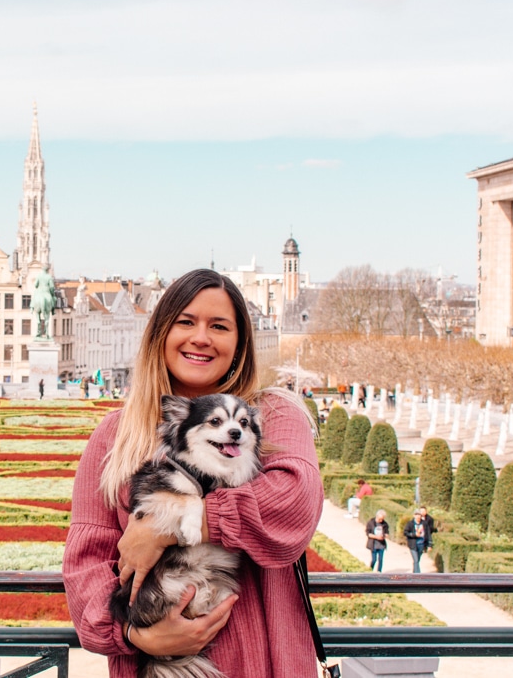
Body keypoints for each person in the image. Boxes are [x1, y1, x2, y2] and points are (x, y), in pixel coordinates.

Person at [63, 269, 322, 678]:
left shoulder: (270, 415)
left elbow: (293, 503)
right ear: (160, 334)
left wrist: (171, 524)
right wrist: (136, 635)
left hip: (264, 665)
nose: (201, 337)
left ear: (239, 344)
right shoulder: (115, 435)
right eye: (186, 322)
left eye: (219, 326)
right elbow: (85, 566)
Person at [403, 509, 428, 573]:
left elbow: (428, 534)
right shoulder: (410, 523)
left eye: (419, 515)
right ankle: (418, 575)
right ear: (414, 516)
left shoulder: (424, 523)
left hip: (421, 544)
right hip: (413, 545)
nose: (418, 516)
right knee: (416, 560)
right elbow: (405, 532)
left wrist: (429, 544)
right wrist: (414, 535)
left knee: (417, 561)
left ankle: (414, 574)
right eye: (416, 515)